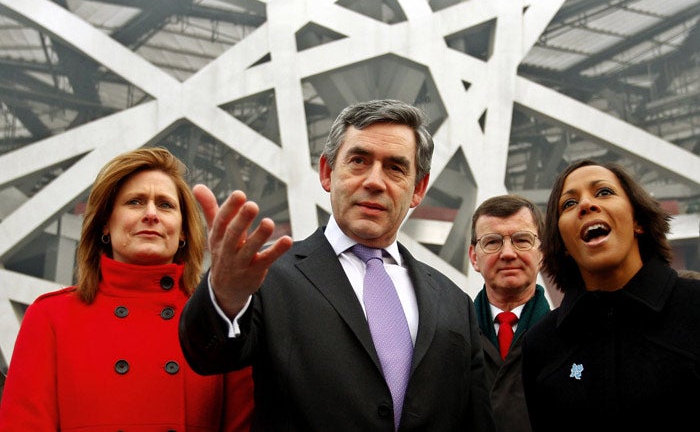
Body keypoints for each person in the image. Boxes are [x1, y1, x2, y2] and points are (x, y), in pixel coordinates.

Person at [179, 99, 496, 431]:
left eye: (395, 167)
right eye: (358, 161)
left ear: (417, 189)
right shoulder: (268, 277)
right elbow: (208, 355)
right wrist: (224, 294)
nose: (375, 181)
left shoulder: (454, 302)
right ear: (328, 172)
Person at [0, 147, 254, 431]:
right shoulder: (50, 317)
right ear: (105, 224)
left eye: (166, 205)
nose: (151, 214)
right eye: (134, 202)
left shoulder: (218, 319)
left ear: (183, 231)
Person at [522, 159, 700, 432]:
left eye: (604, 192)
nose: (586, 205)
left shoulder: (694, 306)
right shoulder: (541, 345)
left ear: (638, 220)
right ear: (564, 243)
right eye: (568, 204)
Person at [468, 194, 550, 432]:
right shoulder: (451, 336)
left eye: (522, 240)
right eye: (492, 242)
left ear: (542, 253)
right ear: (474, 257)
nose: (507, 253)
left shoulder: (571, 337)